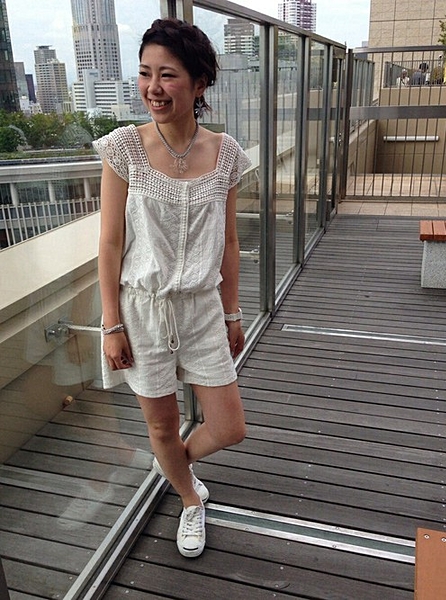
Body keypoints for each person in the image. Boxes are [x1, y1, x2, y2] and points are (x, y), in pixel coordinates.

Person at [93, 18, 250, 559]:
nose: (153, 88)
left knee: (229, 426)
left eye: (168, 75)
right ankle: (188, 499)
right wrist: (111, 324)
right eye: (145, 74)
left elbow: (229, 242)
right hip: (141, 310)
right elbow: (110, 243)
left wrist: (232, 312)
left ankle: (175, 465)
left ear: (200, 82)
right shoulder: (124, 149)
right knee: (160, 426)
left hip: (203, 308)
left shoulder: (225, 153)